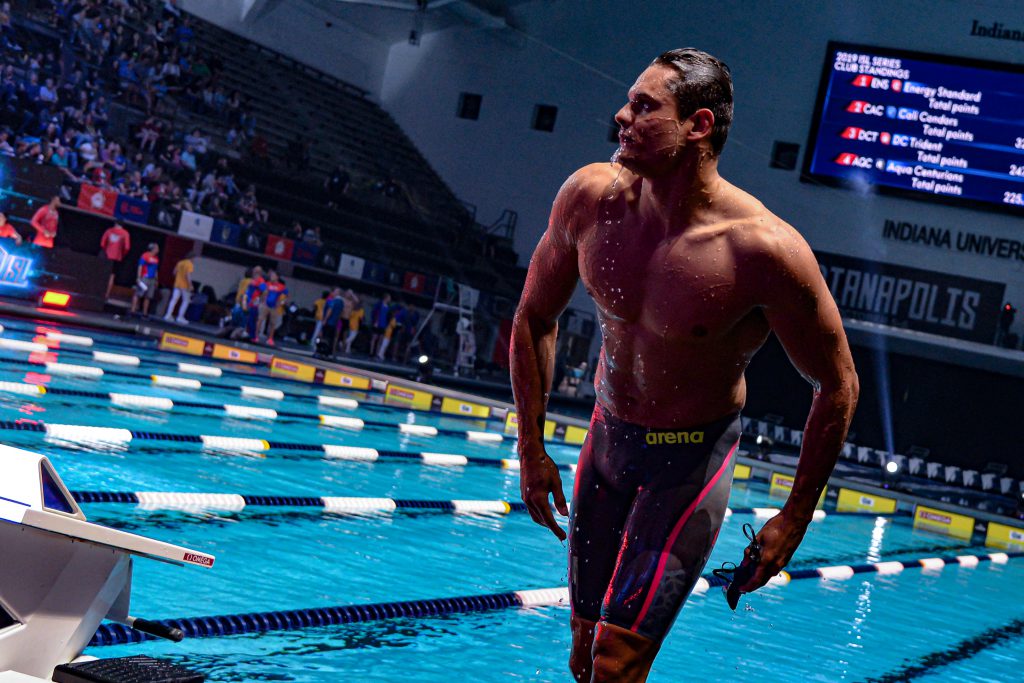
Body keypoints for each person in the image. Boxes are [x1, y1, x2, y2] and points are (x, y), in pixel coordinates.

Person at [509, 48, 859, 683]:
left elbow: (837, 382)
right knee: (584, 652)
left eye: (644, 107)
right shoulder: (591, 201)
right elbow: (534, 316)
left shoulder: (762, 250)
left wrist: (796, 514)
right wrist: (530, 447)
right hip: (607, 444)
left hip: (688, 463)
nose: (621, 116)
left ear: (698, 126)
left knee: (617, 663)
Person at [255, 269, 288, 345]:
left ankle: (270, 338)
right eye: (271, 275)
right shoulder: (266, 284)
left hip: (274, 307)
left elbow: (287, 296)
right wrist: (262, 299)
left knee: (272, 323)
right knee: (260, 320)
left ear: (277, 277)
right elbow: (259, 290)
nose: (271, 277)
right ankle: (256, 336)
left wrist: (281, 303)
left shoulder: (281, 286)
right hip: (265, 305)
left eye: (273, 276)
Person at [99, 222, 131, 299]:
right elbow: (127, 248)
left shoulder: (109, 231)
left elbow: (102, 244)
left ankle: (99, 291)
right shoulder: (125, 233)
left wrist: (107, 250)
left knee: (102, 274)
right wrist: (122, 254)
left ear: (115, 224)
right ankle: (106, 294)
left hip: (106, 256)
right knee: (111, 276)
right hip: (117, 258)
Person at [164, 251, 195, 324]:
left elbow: (174, 272)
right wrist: (190, 285)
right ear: (192, 258)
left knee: (174, 300)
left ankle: (168, 315)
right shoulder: (190, 264)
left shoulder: (180, 262)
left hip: (177, 284)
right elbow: (188, 275)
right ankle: (180, 317)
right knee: (186, 301)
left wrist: (179, 278)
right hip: (185, 285)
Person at [130, 243, 160, 316]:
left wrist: (156, 279)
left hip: (152, 279)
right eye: (157, 248)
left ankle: (144, 313)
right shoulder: (145, 255)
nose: (158, 250)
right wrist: (138, 277)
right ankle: (132, 310)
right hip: (144, 278)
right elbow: (140, 266)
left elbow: (156, 269)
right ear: (153, 249)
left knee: (148, 296)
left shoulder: (156, 258)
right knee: (138, 293)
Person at [242, 265, 265, 339]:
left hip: (255, 303)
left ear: (259, 272)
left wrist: (258, 300)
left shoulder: (261, 281)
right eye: (254, 270)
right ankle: (247, 333)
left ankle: (253, 336)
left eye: (256, 270)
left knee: (252, 319)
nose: (254, 271)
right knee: (247, 319)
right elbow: (249, 290)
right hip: (249, 301)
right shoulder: (252, 280)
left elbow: (264, 292)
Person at [369, 293, 391, 357]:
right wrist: (374, 321)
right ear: (386, 298)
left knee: (380, 340)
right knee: (374, 338)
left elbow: (388, 316)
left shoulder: (388, 306)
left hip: (383, 325)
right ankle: (371, 352)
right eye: (389, 298)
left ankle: (377, 353)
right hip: (377, 324)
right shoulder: (379, 304)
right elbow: (374, 312)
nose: (390, 299)